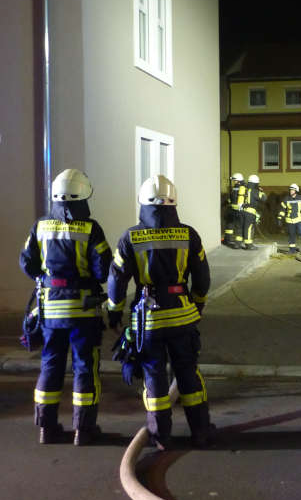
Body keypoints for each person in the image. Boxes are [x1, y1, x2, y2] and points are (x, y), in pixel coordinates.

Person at [106, 175, 214, 450]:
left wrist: (115, 311)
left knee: (154, 378)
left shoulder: (130, 237)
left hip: (148, 320)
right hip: (183, 316)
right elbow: (202, 277)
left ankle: (160, 436)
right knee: (188, 374)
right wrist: (198, 302)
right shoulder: (188, 234)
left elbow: (117, 279)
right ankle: (200, 431)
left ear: (142, 203)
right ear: (174, 202)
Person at [20, 168, 112, 446]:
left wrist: (46, 279)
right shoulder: (91, 228)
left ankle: (46, 428)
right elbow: (104, 268)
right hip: (83, 312)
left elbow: (27, 262)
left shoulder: (40, 226)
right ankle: (83, 430)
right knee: (85, 368)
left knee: (50, 365)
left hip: (51, 311)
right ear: (84, 196)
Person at [278, 183, 301, 254]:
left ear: (296, 191)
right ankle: (292, 250)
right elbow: (282, 209)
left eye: (292, 190)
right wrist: (279, 218)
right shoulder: (286, 199)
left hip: (300, 220)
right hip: (290, 221)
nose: (291, 191)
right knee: (291, 235)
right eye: (290, 190)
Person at [240, 173, 266, 249]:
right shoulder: (255, 191)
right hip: (250, 212)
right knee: (249, 228)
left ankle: (247, 243)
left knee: (246, 227)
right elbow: (264, 198)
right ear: (256, 183)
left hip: (243, 211)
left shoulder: (246, 189)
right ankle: (248, 245)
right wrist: (261, 191)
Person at [224, 172, 245, 249]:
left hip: (238, 211)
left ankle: (237, 244)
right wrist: (227, 202)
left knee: (237, 227)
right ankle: (228, 240)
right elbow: (232, 198)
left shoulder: (241, 188)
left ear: (238, 180)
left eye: (234, 180)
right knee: (230, 226)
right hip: (233, 210)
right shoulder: (236, 187)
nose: (234, 181)